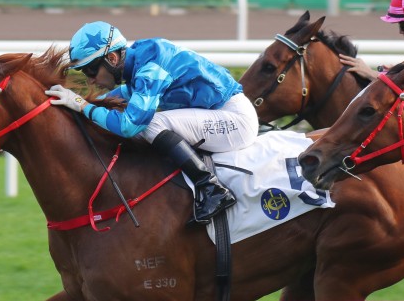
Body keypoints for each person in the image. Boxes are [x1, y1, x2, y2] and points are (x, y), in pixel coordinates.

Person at [45, 21, 259, 224]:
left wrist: (83, 106)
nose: (90, 80)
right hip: (220, 113)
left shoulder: (150, 68)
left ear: (112, 58)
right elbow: (119, 97)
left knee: (150, 125)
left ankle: (211, 188)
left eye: (91, 70)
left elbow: (130, 125)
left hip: (234, 120)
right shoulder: (140, 60)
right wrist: (75, 105)